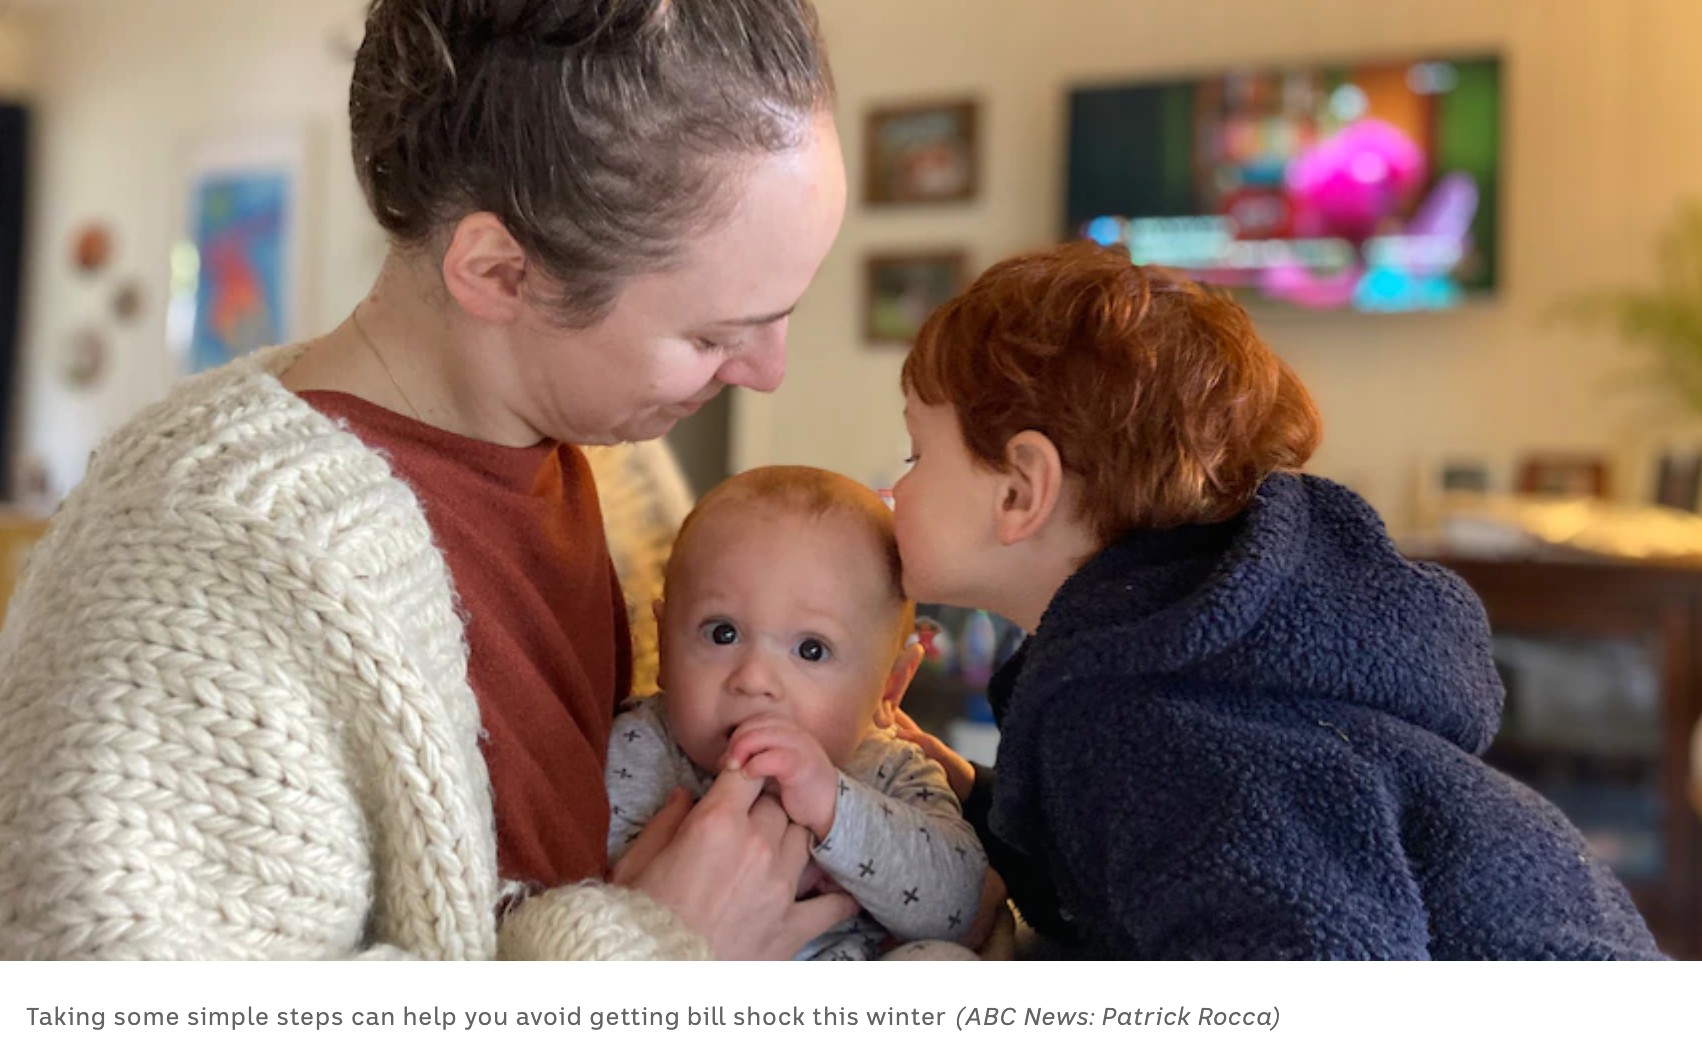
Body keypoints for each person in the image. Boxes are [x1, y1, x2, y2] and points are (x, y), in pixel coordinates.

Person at [0, 0, 852, 961]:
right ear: (498, 273)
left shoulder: (594, 470)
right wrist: (659, 954)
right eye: (712, 335)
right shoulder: (196, 580)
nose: (769, 371)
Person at [888, 240, 1665, 960]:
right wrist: (975, 799)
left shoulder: (1150, 720)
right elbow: (1133, 876)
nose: (897, 488)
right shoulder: (1180, 673)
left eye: (917, 453)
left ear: (1022, 490)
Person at [605, 466, 987, 960]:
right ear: (664, 647)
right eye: (722, 633)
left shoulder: (893, 770)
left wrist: (833, 806)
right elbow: (592, 880)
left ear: (889, 687)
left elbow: (960, 907)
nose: (754, 679)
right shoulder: (642, 743)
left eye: (811, 649)